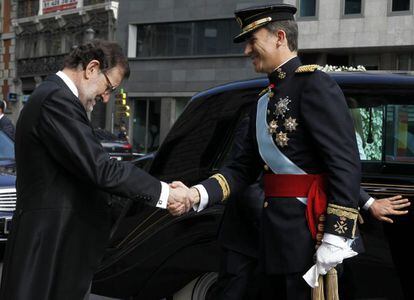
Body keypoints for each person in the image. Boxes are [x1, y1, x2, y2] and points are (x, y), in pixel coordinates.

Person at [169, 4, 363, 299]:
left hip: (311, 238)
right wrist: (196, 195)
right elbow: (240, 168)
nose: (247, 51)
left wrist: (336, 236)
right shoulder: (262, 100)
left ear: (279, 37)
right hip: (271, 239)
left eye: (252, 41)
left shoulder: (315, 85)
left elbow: (344, 163)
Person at [0, 39, 188, 300]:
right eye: (109, 86)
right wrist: (166, 193)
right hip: (49, 246)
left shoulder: (54, 97)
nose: (106, 97)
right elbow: (101, 169)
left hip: (53, 243)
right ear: (92, 68)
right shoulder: (56, 100)